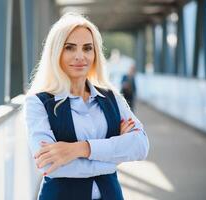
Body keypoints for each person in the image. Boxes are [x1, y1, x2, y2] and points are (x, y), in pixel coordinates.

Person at [24, 13, 149, 200]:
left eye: (87, 48)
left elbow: (141, 146)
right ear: (56, 52)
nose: (80, 56)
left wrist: (80, 149)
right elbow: (48, 164)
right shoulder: (38, 102)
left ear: (95, 53)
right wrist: (114, 156)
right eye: (70, 48)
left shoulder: (112, 97)